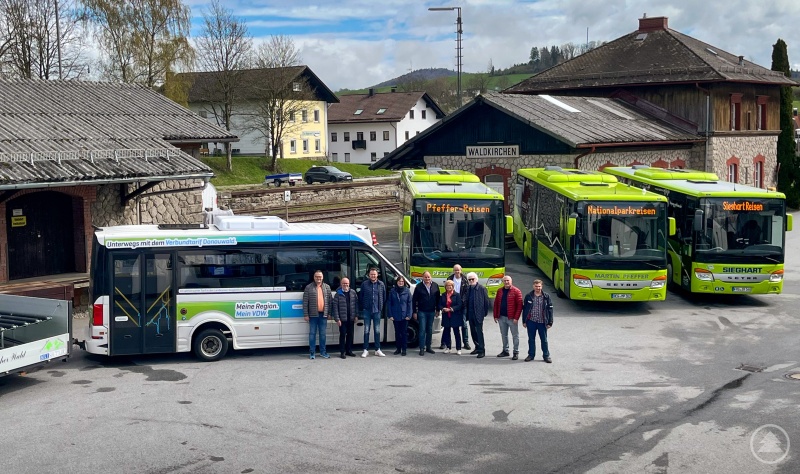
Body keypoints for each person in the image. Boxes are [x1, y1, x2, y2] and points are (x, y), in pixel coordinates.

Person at [521, 279, 554, 363]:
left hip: (542, 322)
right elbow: (525, 309)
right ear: (533, 286)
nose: (538, 288)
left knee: (544, 340)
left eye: (539, 286)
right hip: (531, 321)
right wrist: (524, 321)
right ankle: (531, 355)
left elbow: (550, 309)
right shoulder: (528, 296)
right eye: (536, 286)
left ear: (542, 286)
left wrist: (550, 322)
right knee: (531, 339)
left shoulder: (546, 296)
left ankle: (546, 356)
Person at [302, 270, 332, 360]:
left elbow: (330, 302)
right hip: (313, 315)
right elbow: (305, 302)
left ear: (322, 277)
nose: (318, 278)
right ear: (314, 277)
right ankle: (312, 352)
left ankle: (323, 352)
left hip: (324, 315)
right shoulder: (308, 287)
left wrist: (329, 313)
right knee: (312, 334)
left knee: (323, 334)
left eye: (320, 277)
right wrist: (306, 314)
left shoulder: (327, 287)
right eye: (316, 277)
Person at [493, 275, 523, 360]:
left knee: (515, 335)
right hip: (501, 317)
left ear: (511, 281)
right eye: (505, 281)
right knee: (504, 335)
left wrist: (516, 318)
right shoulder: (500, 291)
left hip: (512, 318)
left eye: (508, 280)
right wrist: (495, 315)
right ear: (503, 282)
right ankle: (505, 350)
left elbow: (520, 306)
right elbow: (496, 303)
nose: (506, 282)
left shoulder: (516, 291)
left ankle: (516, 352)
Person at [360, 267, 387, 357]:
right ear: (369, 275)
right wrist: (364, 306)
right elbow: (361, 296)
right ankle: (365, 349)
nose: (373, 276)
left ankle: (377, 349)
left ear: (377, 275)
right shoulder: (364, 284)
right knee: (366, 330)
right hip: (367, 310)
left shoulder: (381, 284)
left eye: (374, 274)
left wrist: (380, 307)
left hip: (377, 310)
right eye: (371, 274)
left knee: (377, 330)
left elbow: (384, 297)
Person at [412, 271, 440, 356]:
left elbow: (438, 299)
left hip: (431, 311)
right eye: (425, 277)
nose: (427, 278)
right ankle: (421, 348)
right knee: (422, 330)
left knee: (429, 330)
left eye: (428, 277)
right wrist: (414, 312)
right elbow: (414, 300)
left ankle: (428, 347)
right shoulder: (419, 286)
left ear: (431, 277)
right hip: (422, 312)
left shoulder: (435, 285)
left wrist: (438, 310)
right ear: (422, 278)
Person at [445, 264, 471, 351]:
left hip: (462, 305)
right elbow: (447, 291)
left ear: (461, 270)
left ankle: (466, 342)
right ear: (453, 270)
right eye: (455, 270)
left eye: (458, 270)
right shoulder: (449, 278)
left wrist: (461, 301)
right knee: (448, 325)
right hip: (451, 305)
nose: (457, 271)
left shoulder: (465, 280)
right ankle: (445, 343)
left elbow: (466, 293)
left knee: (464, 324)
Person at [464, 271, 489, 358]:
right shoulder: (468, 288)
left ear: (476, 279)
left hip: (478, 314)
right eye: (469, 279)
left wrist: (484, 313)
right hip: (470, 313)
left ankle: (482, 350)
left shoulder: (482, 288)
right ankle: (477, 347)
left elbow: (486, 302)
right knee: (473, 332)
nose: (471, 281)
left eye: (472, 279)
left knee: (479, 332)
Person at [332, 277, 358, 359]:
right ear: (341, 284)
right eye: (343, 283)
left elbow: (356, 305)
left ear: (349, 284)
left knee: (350, 335)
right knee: (343, 335)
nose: (345, 285)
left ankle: (349, 351)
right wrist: (337, 319)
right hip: (342, 319)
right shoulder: (338, 294)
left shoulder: (353, 292)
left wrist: (356, 315)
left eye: (346, 283)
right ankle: (342, 352)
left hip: (351, 318)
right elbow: (335, 308)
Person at [387, 275, 413, 356]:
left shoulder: (407, 291)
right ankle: (398, 349)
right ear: (397, 282)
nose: (401, 283)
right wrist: (390, 315)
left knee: (404, 333)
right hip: (395, 315)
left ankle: (404, 349)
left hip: (404, 315)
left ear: (404, 283)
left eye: (402, 281)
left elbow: (410, 304)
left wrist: (409, 315)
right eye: (399, 281)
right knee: (397, 333)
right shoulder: (392, 291)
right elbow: (389, 303)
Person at [439, 280, 463, 354]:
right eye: (447, 286)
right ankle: (448, 347)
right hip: (446, 316)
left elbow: (459, 305)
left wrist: (451, 309)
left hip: (455, 316)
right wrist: (443, 308)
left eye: (450, 286)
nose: (449, 287)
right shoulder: (443, 295)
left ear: (453, 287)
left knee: (456, 332)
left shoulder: (457, 295)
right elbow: (439, 304)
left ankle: (458, 349)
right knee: (447, 332)